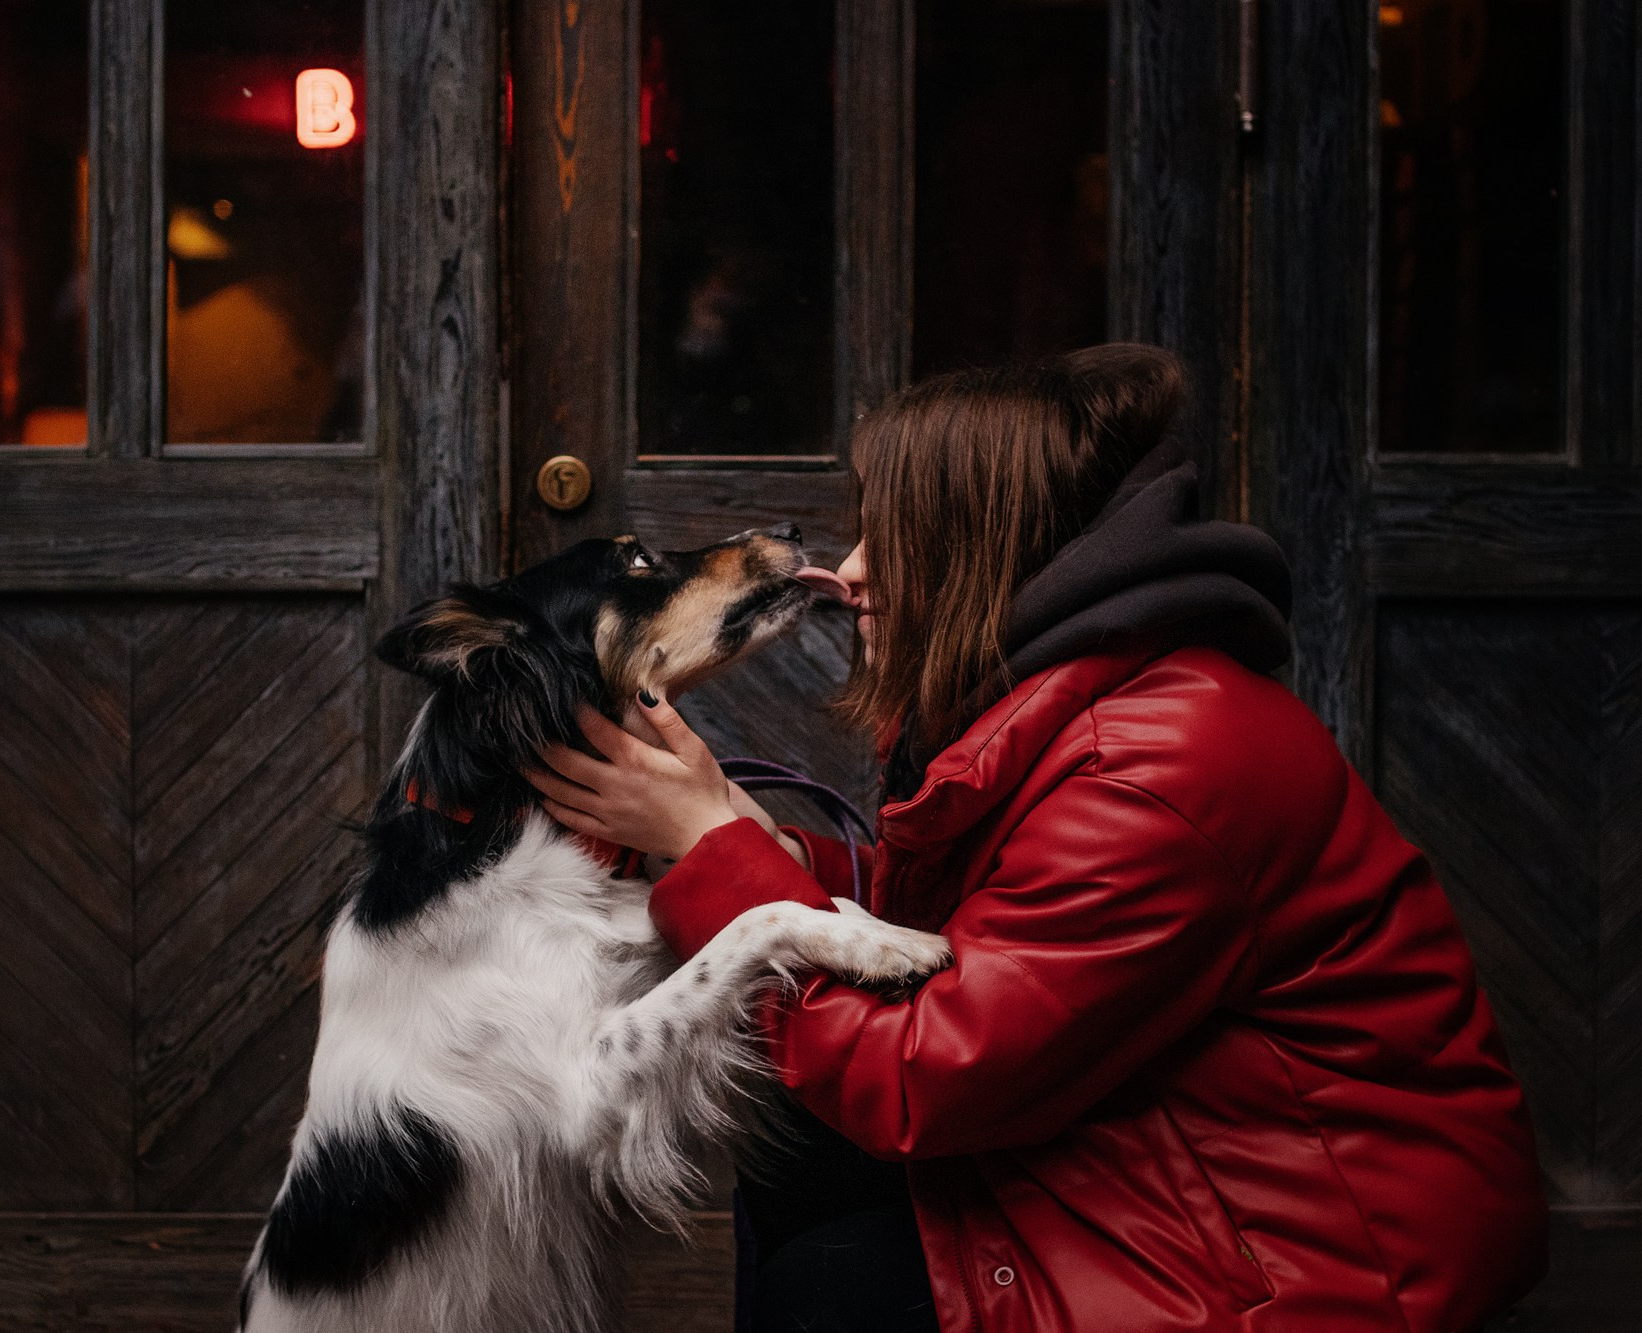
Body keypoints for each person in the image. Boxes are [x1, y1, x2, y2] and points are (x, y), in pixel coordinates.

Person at [526, 344, 1549, 1332]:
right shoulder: (1075, 694)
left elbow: (927, 1077)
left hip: (1304, 1255)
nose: (849, 571)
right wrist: (774, 857)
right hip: (1162, 1152)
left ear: (981, 550)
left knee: (833, 1292)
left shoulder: (1153, 763)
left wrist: (710, 847)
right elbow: (1000, 933)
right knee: (789, 1134)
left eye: (889, 537)